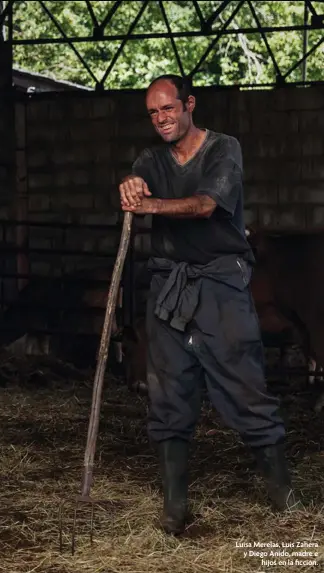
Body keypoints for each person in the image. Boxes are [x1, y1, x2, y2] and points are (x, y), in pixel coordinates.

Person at [119, 75, 302, 535]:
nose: (161, 119)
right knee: (168, 395)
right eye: (153, 113)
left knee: (245, 388)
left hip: (221, 286)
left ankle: (286, 502)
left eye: (169, 109)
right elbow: (138, 182)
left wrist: (150, 207)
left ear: (189, 105)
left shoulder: (224, 150)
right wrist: (130, 186)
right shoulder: (150, 159)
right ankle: (174, 510)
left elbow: (206, 206)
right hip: (168, 290)